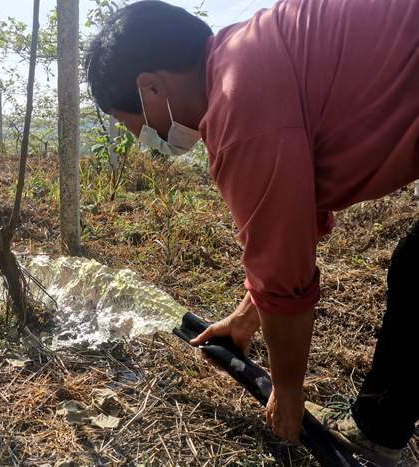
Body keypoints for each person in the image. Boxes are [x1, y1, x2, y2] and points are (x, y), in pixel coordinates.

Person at [85, 0, 419, 465]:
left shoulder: (240, 107)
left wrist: (286, 390)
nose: (146, 139)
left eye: (136, 126)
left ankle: (378, 433)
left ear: (152, 87)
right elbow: (292, 222)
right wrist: (244, 320)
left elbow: (284, 274)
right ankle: (381, 428)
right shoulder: (249, 55)